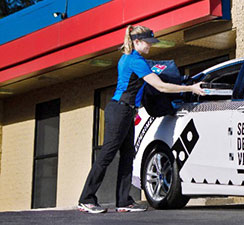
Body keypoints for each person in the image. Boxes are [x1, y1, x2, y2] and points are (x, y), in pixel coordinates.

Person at [78, 25, 205, 213]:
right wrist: (190, 88)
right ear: (137, 42)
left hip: (127, 111)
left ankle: (123, 201)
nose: (150, 46)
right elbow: (160, 86)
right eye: (148, 42)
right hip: (120, 111)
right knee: (107, 155)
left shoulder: (130, 58)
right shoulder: (135, 60)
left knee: (128, 156)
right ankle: (86, 199)